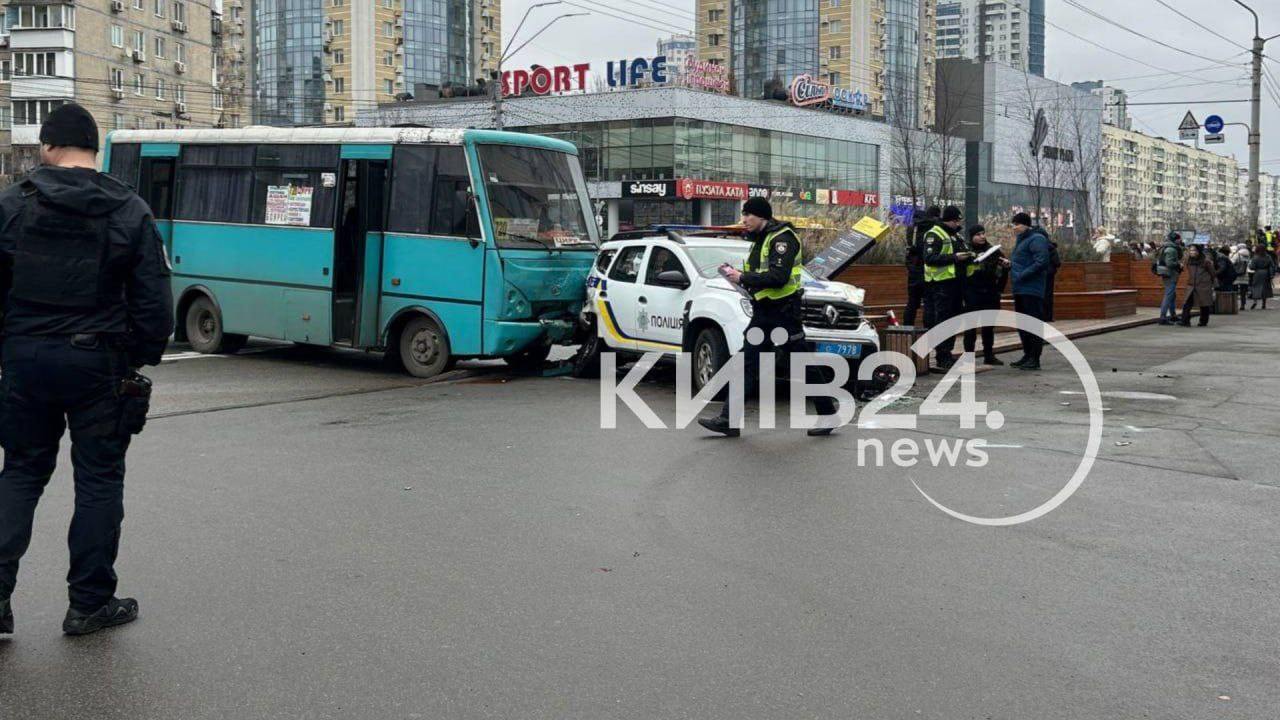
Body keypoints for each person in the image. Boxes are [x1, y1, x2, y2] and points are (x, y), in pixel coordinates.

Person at [0, 103, 174, 637]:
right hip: (99, 362)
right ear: (93, 149)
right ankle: (89, 603)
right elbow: (154, 307)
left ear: (49, 147)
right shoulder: (129, 208)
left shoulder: (11, 204)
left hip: (25, 358)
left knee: (22, 472)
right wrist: (136, 356)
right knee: (99, 480)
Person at [698, 198, 839, 438]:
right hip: (764, 313)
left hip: (783, 312)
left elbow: (778, 277)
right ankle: (728, 420)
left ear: (762, 216)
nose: (744, 221)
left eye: (748, 216)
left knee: (801, 361)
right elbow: (761, 273)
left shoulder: (782, 239)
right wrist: (738, 278)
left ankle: (828, 413)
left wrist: (741, 277)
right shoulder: (762, 239)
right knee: (747, 362)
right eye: (743, 215)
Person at [922, 205, 970, 370]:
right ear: (950, 220)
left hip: (956, 284)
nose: (958, 224)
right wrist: (955, 257)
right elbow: (929, 258)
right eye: (956, 221)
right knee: (943, 321)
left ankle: (947, 354)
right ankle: (942, 356)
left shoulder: (955, 235)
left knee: (953, 321)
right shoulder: (934, 234)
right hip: (941, 284)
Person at [961, 224, 1010, 365]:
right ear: (972, 237)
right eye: (978, 234)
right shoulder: (966, 251)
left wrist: (1007, 266)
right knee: (970, 327)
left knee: (988, 327)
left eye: (983, 233)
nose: (982, 236)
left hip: (990, 292)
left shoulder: (993, 250)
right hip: (972, 293)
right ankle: (969, 358)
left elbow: (1003, 267)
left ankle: (989, 355)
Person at [1009, 212, 1051, 371]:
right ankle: (1027, 355)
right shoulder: (1022, 241)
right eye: (1013, 224)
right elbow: (1021, 261)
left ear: (1025, 225)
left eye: (1017, 224)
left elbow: (1042, 262)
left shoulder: (1036, 239)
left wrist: (1022, 274)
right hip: (1020, 288)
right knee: (1022, 324)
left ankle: (1034, 358)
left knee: (1032, 323)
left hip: (1031, 288)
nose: (1014, 228)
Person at [903, 205, 939, 327]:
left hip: (913, 268)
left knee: (912, 302)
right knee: (928, 303)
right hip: (927, 269)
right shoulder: (931, 227)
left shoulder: (911, 228)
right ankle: (927, 330)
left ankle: (906, 329)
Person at [1178, 244, 1215, 327]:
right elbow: (1182, 267)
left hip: (1203, 284)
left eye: (1194, 250)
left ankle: (1203, 321)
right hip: (1191, 285)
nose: (1192, 252)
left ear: (1198, 251)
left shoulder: (1206, 261)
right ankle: (1185, 321)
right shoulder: (1188, 260)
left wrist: (1211, 284)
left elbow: (1212, 273)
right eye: (1190, 250)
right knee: (1187, 302)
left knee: (1204, 304)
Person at [1156, 231, 1184, 325]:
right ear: (1175, 239)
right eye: (1179, 238)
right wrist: (1179, 264)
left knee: (1172, 295)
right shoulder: (1171, 249)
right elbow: (1169, 263)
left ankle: (1173, 315)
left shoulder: (1166, 247)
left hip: (1166, 274)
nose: (1180, 240)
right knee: (1169, 295)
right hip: (1170, 274)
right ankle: (1163, 317)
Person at [1249, 243, 1275, 310]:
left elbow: (1252, 267)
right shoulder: (1268, 256)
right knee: (1265, 288)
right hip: (1266, 273)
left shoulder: (1255, 257)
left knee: (1255, 287)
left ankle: (1255, 301)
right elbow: (1272, 265)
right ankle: (1264, 304)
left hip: (1258, 273)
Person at [1231, 244, 1252, 311]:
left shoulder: (1237, 254)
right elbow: (1250, 264)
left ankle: (1235, 305)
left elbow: (1232, 262)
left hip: (1237, 275)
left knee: (1235, 291)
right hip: (1245, 275)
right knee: (1243, 292)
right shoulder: (1248, 255)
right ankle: (1243, 305)